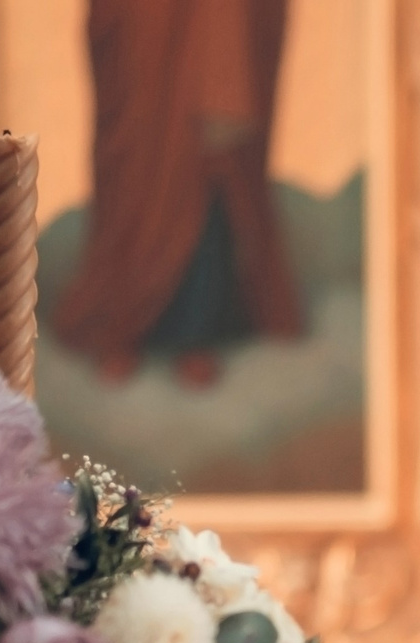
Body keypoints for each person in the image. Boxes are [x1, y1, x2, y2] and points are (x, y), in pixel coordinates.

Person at [53, 0, 307, 387]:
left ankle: (196, 333)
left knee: (207, 158)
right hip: (143, 27)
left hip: (214, 23)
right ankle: (121, 325)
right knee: (137, 165)